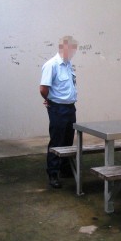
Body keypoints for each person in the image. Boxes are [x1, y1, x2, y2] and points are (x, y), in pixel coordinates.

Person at [39, 36, 78, 188]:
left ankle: (64, 168)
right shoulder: (51, 65)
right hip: (58, 108)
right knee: (57, 140)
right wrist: (49, 99)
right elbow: (43, 88)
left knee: (68, 139)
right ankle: (53, 173)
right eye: (71, 48)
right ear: (63, 47)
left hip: (70, 107)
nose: (73, 51)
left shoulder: (68, 65)